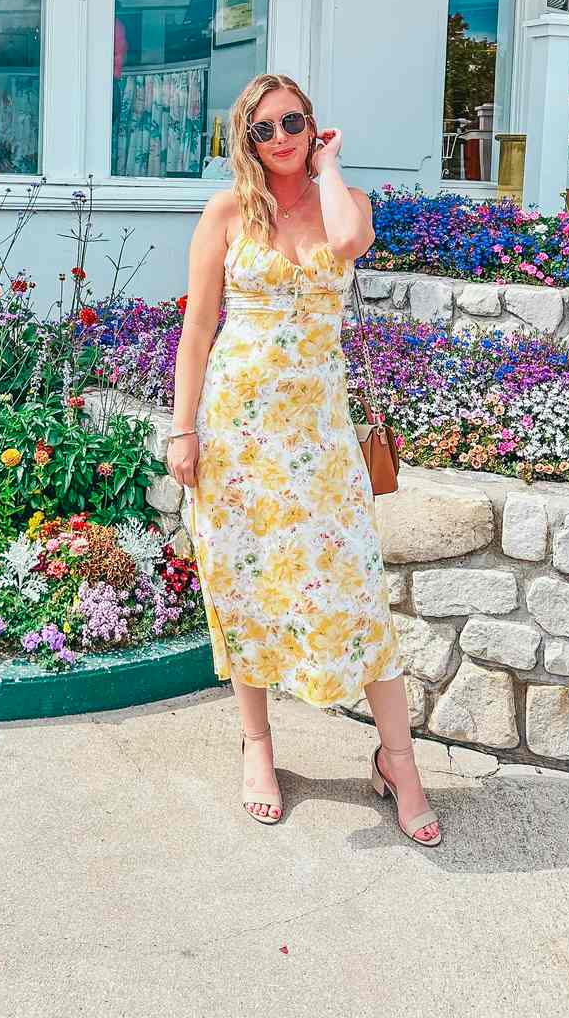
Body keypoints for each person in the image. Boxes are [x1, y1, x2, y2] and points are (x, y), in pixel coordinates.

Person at [166, 72, 441, 843]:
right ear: (244, 142)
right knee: (244, 584)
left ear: (313, 126)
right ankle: (258, 748)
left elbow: (350, 242)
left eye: (292, 122)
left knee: (357, 595)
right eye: (264, 129)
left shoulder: (343, 205)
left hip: (319, 440)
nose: (279, 137)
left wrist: (328, 168)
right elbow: (196, 333)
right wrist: (182, 430)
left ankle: (399, 763)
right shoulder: (226, 211)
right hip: (239, 434)